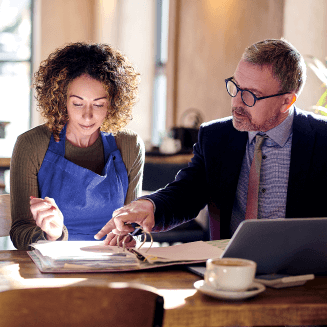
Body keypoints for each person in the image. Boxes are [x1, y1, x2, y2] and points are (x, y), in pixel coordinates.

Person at [95, 38, 327, 245]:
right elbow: (188, 192)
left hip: (305, 277)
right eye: (235, 87)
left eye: (251, 95)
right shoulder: (216, 137)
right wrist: (151, 206)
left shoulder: (321, 139)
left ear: (287, 101)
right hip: (226, 271)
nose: (236, 103)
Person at [10, 42, 144, 250]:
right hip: (51, 268)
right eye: (77, 103)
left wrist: (131, 236)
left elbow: (133, 225)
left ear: (113, 103)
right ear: (61, 100)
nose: (87, 115)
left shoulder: (129, 146)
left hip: (111, 266)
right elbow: (19, 233)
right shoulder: (32, 144)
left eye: (99, 104)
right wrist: (51, 234)